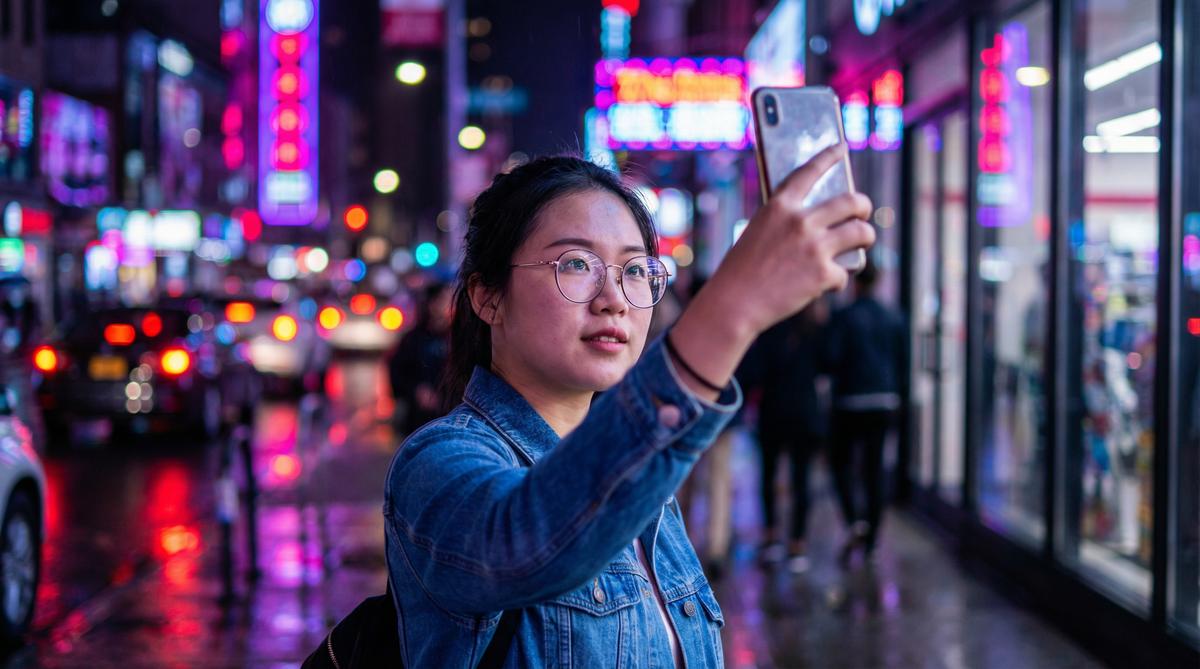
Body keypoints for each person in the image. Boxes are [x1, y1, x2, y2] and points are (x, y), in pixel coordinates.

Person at [384, 147, 874, 667]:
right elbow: (524, 541)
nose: (614, 298)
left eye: (635, 270)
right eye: (576, 263)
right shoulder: (436, 465)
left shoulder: (646, 488)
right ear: (487, 297)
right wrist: (734, 308)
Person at [824, 260, 905, 565]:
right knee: (874, 468)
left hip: (849, 401)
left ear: (855, 282)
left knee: (841, 464)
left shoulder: (844, 317)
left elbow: (830, 358)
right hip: (884, 401)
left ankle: (854, 520)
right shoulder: (893, 317)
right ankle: (872, 538)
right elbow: (902, 361)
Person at [754, 305, 827, 573]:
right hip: (804, 413)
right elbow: (829, 364)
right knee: (801, 478)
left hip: (773, 411)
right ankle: (797, 543)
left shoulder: (771, 328)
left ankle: (772, 536)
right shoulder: (815, 329)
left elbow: (756, 370)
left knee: (769, 475)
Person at [387, 281, 453, 435]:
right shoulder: (413, 339)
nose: (448, 306)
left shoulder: (457, 338)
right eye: (443, 300)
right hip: (418, 419)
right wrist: (416, 390)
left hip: (449, 417)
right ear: (431, 304)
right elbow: (397, 372)